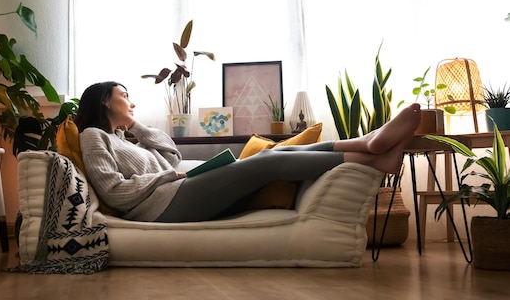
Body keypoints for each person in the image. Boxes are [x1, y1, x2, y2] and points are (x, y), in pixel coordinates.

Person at [74, 81, 422, 223]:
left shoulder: (126, 139)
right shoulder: (92, 136)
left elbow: (172, 154)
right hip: (161, 207)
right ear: (105, 101)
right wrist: (171, 176)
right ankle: (373, 153)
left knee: (272, 153)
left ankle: (367, 146)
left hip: (175, 192)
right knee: (267, 162)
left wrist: (134, 127)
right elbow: (114, 191)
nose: (132, 102)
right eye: (124, 96)